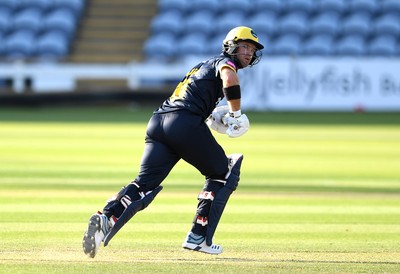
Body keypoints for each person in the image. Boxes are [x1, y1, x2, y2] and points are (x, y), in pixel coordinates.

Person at [82, 26, 264, 258]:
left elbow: (193, 95)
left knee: (143, 184)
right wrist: (235, 114)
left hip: (158, 122)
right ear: (231, 46)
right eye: (245, 46)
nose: (249, 52)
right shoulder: (225, 64)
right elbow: (229, 78)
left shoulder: (202, 65)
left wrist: (210, 115)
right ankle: (199, 236)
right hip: (183, 123)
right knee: (224, 172)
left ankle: (106, 218)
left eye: (252, 49)